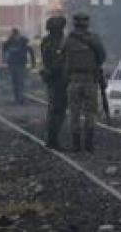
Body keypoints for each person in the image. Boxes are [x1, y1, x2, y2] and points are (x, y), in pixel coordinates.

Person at [63, 12, 105, 152]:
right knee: (90, 113)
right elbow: (102, 56)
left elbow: (62, 57)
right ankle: (88, 143)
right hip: (90, 80)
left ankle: (76, 144)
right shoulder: (94, 39)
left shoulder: (68, 40)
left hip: (74, 80)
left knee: (74, 112)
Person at [40, 15, 68, 149]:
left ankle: (52, 138)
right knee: (57, 110)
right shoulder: (57, 42)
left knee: (55, 110)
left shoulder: (47, 41)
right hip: (57, 79)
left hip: (56, 79)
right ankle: (52, 139)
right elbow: (55, 61)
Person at [3, 28, 36, 104]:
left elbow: (30, 51)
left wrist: (33, 63)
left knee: (20, 81)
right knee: (15, 82)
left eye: (15, 35)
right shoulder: (9, 41)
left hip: (20, 64)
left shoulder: (23, 41)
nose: (15, 36)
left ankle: (20, 98)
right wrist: (5, 59)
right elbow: (4, 49)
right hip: (13, 64)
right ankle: (17, 98)